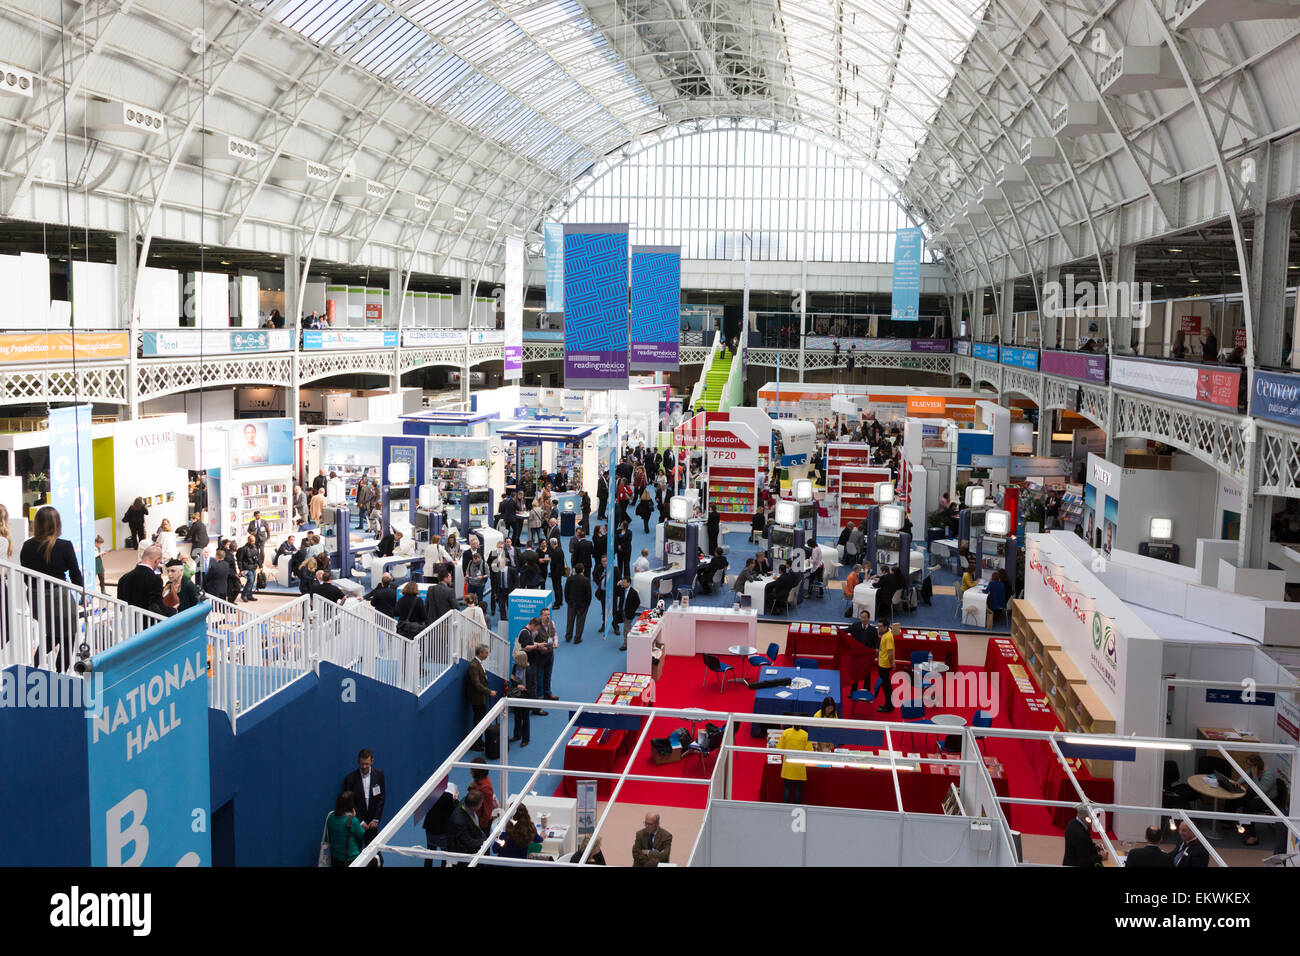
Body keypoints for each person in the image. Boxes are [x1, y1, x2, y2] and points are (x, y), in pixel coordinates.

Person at [343, 749, 386, 863]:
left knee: (375, 854)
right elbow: (350, 803)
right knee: (357, 855)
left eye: (366, 764)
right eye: (362, 764)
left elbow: (381, 798)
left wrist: (376, 819)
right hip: (358, 823)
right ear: (358, 762)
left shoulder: (379, 775)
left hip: (372, 823)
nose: (364, 766)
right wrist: (360, 821)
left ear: (372, 761)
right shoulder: (350, 779)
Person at [116, 544, 175, 618]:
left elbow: (121, 605)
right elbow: (156, 605)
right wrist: (173, 611)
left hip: (129, 623)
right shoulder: (155, 579)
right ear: (156, 561)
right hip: (147, 623)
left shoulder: (123, 578)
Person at [1237, 753, 1279, 845]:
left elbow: (1260, 791)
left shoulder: (1268, 775)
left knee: (1249, 807)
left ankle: (1252, 836)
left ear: (1256, 766)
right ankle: (1227, 822)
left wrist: (1255, 776)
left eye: (1250, 765)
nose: (1248, 767)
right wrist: (1239, 783)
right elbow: (1245, 776)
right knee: (1238, 798)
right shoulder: (1251, 770)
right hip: (1256, 796)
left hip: (1268, 800)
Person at [466, 644, 496, 751]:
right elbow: (476, 684)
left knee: (480, 720)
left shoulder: (478, 664)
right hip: (477, 698)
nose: (488, 654)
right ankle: (474, 744)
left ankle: (479, 741)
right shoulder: (473, 666)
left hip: (481, 697)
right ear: (480, 653)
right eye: (486, 652)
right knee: (478, 721)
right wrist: (489, 692)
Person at [325, 791, 367, 867]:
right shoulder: (353, 821)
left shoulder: (330, 817)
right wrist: (353, 817)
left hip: (335, 857)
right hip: (351, 858)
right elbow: (361, 834)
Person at [446, 789, 487, 862]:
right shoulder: (459, 822)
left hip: (475, 837)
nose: (482, 805)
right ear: (474, 807)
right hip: (465, 853)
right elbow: (468, 842)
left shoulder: (465, 801)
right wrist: (485, 842)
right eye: (481, 803)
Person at [564, 563, 592, 645]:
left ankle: (568, 636)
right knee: (580, 622)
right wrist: (587, 603)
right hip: (582, 605)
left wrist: (568, 601)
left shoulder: (569, 579)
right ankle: (577, 638)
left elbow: (566, 592)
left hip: (571, 603)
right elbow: (588, 594)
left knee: (570, 620)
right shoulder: (586, 580)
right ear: (583, 570)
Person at [467, 758, 497, 830]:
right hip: (477, 816)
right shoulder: (478, 780)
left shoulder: (485, 787)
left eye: (471, 770)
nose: (470, 772)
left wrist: (483, 824)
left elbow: (488, 806)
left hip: (483, 821)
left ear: (477, 772)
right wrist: (471, 787)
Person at [537, 607, 559, 701]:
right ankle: (539, 696)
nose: (548, 616)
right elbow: (532, 640)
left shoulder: (552, 623)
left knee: (548, 674)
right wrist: (539, 646)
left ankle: (547, 693)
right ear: (541, 616)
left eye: (548, 614)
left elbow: (555, 635)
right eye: (545, 615)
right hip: (540, 655)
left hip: (550, 653)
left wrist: (556, 642)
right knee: (538, 676)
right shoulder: (537, 626)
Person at [613, 575, 639, 651]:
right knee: (628, 628)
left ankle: (626, 644)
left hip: (629, 613)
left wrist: (632, 610)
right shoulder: (622, 590)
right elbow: (616, 593)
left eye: (624, 583)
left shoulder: (633, 592)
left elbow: (637, 602)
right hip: (622, 612)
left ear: (629, 583)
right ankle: (631, 640)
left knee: (625, 629)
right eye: (622, 582)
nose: (623, 584)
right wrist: (617, 585)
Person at [875, 625, 896, 712]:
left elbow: (890, 652)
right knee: (885, 686)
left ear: (886, 627)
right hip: (882, 663)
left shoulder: (888, 637)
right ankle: (889, 704)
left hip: (885, 666)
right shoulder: (884, 634)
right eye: (878, 626)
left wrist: (892, 663)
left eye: (880, 627)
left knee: (886, 687)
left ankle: (889, 706)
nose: (879, 628)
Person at [236, 533, 262, 602]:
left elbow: (258, 557)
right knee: (250, 580)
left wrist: (261, 566)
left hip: (253, 567)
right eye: (252, 541)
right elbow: (240, 560)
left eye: (254, 541)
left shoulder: (255, 547)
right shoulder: (244, 549)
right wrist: (241, 569)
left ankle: (249, 595)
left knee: (252, 581)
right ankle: (244, 594)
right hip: (246, 568)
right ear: (249, 541)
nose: (253, 542)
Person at [547, 536, 566, 609]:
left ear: (552, 543)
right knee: (559, 587)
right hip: (560, 571)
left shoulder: (555, 552)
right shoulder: (560, 549)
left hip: (555, 573)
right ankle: (560, 601)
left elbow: (553, 563)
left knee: (556, 588)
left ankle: (557, 603)